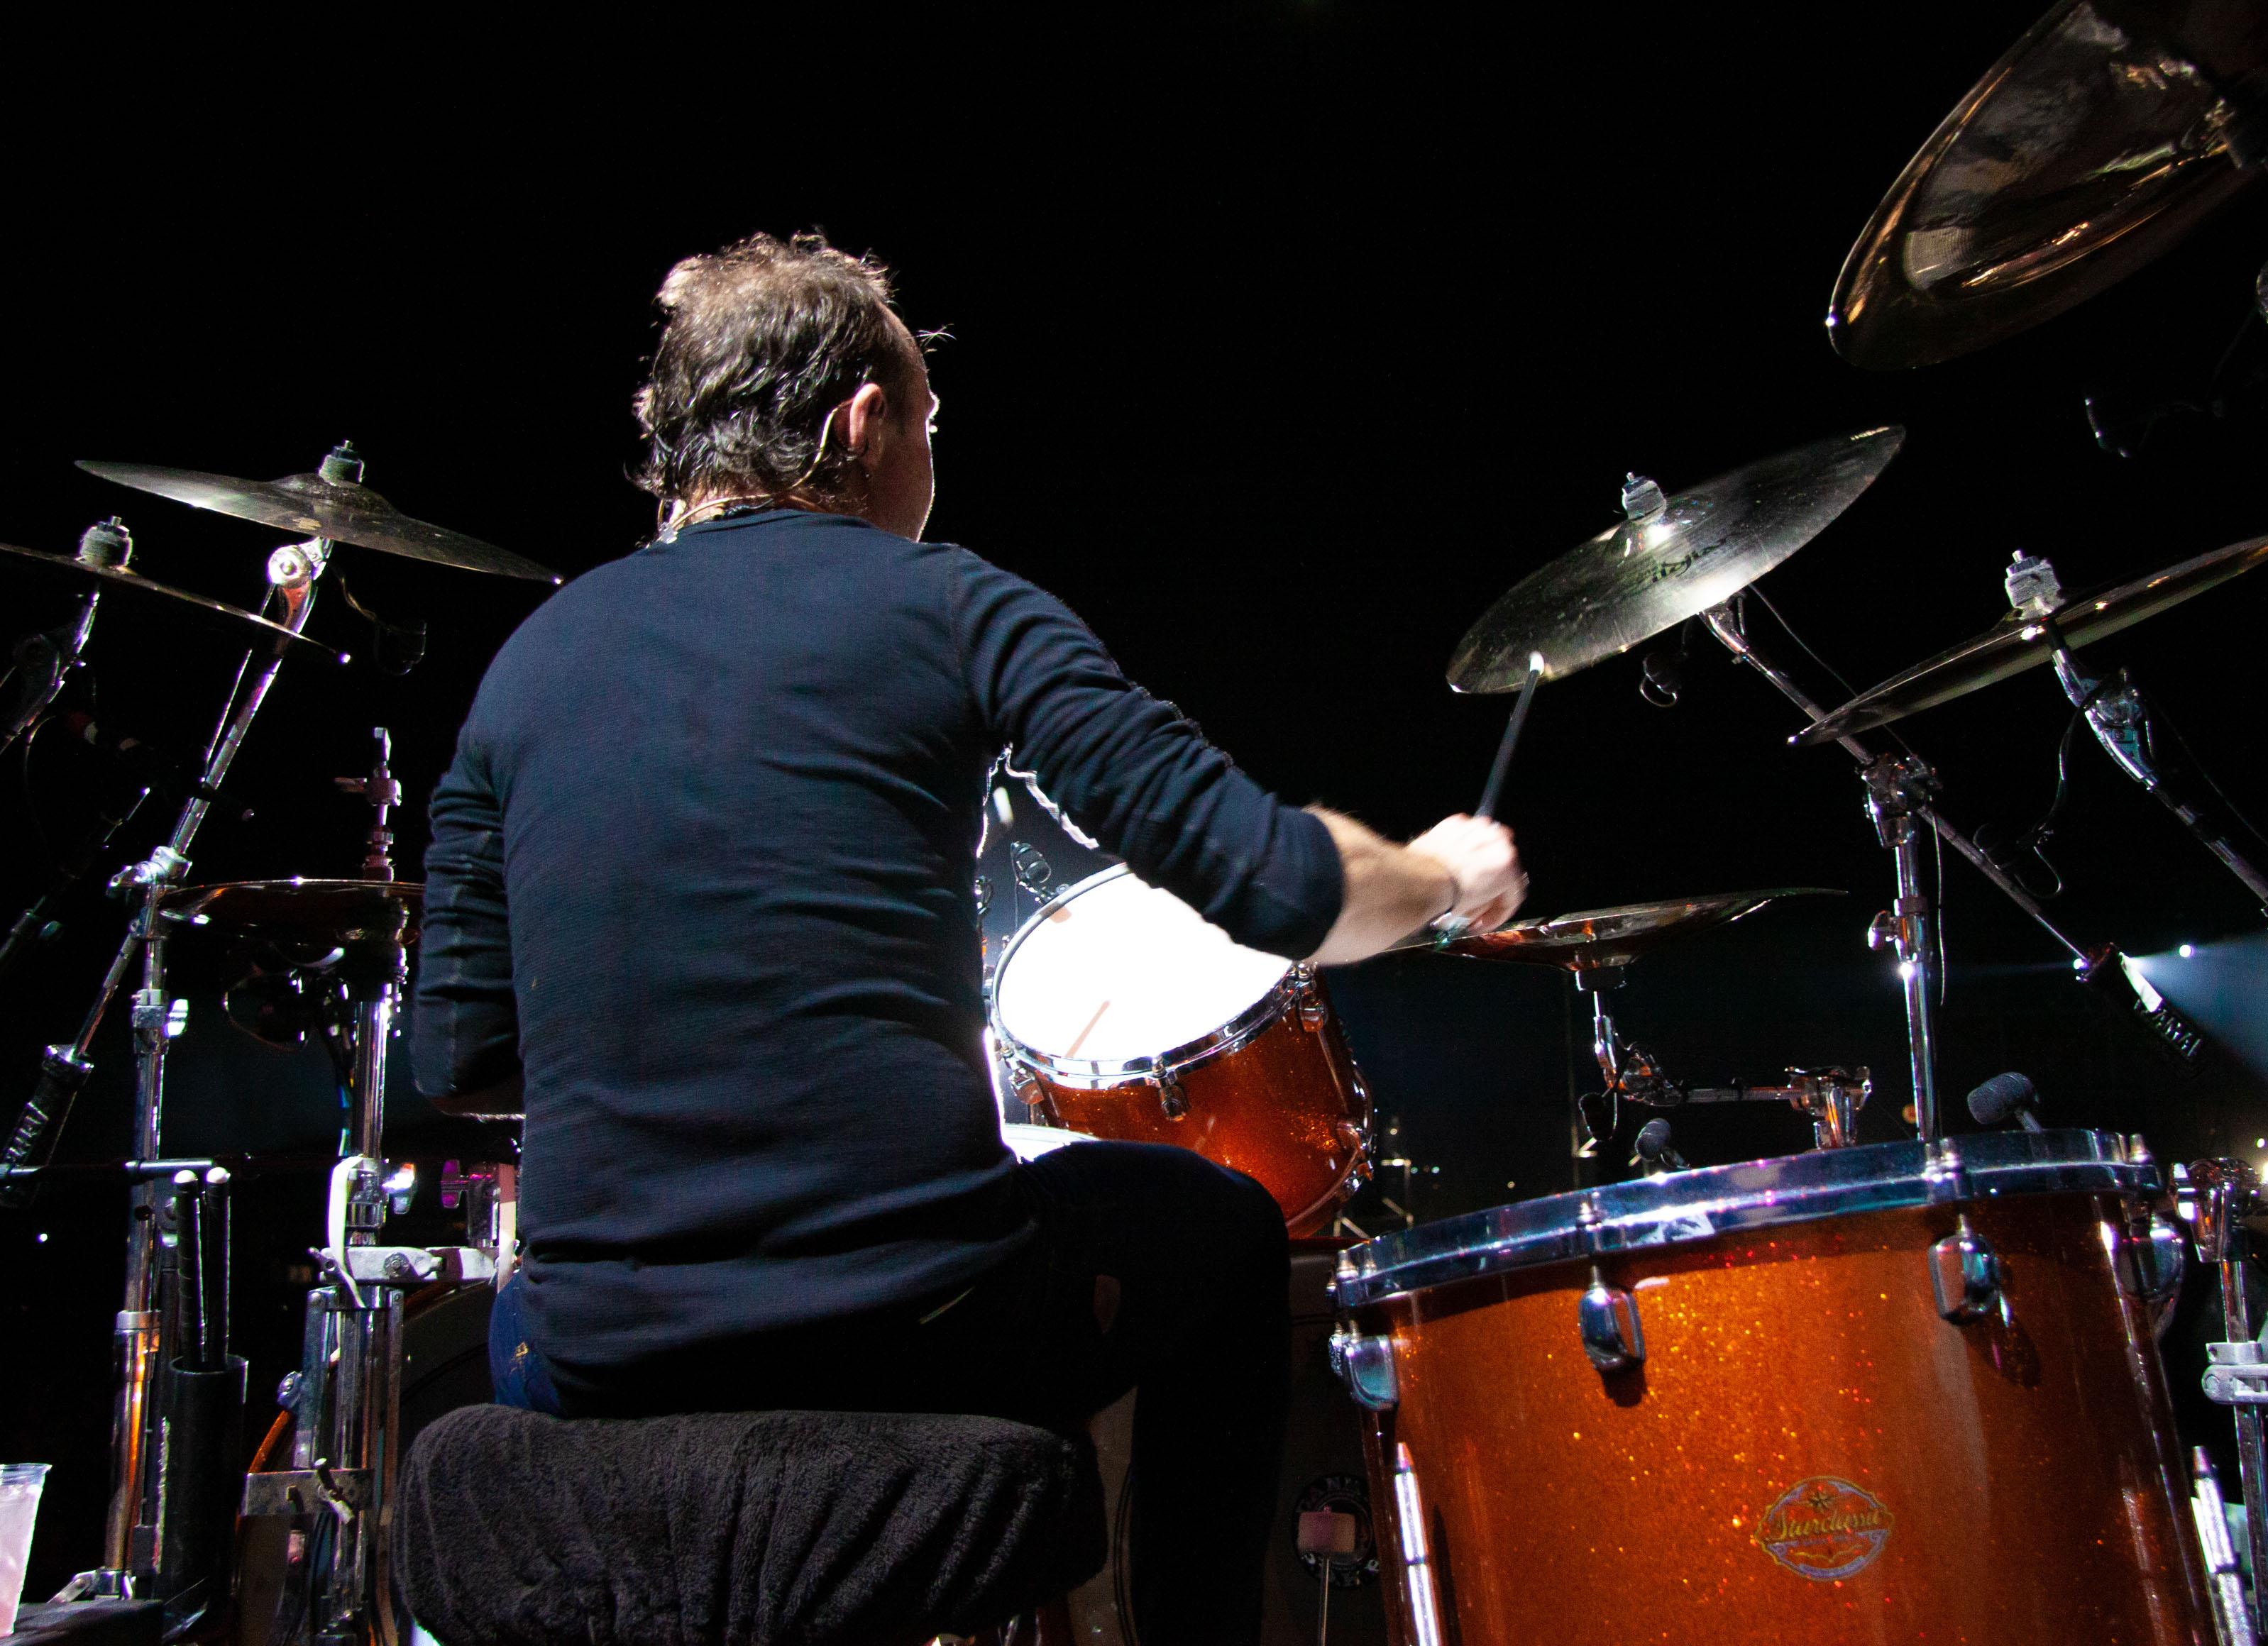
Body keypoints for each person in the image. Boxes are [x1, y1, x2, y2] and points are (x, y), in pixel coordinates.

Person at [412, 231, 1524, 1642]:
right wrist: (1439, 872)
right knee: (1235, 1229)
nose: (929, 459)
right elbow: (1274, 884)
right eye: (930, 426)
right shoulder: (951, 604)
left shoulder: (524, 670)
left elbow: (463, 1056)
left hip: (590, 1350)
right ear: (864, 421)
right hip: (912, 1328)